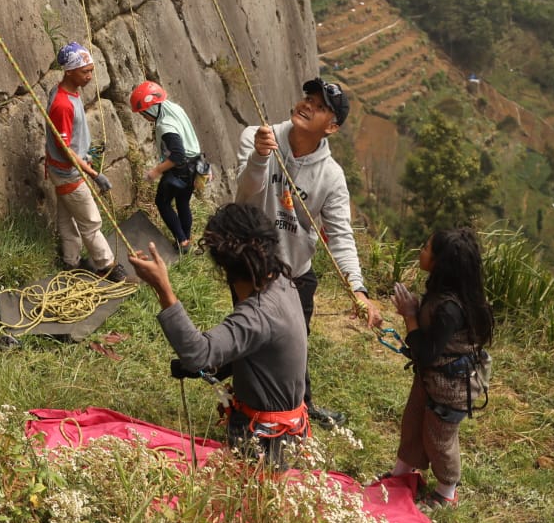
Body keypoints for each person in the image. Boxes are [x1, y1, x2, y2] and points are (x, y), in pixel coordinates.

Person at [235, 77, 381, 428]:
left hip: (296, 273)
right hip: (252, 267)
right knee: (250, 339)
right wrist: (259, 157)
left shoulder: (331, 176)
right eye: (308, 98)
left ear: (331, 127)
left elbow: (341, 236)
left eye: (319, 106)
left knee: (295, 344)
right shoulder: (258, 136)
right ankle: (245, 411)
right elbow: (245, 198)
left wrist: (356, 290)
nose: (307, 105)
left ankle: (300, 407)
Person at [129, 203, 309, 467]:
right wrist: (220, 367)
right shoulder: (282, 282)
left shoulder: (258, 315)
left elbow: (198, 354)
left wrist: (162, 288)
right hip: (288, 430)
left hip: (266, 442)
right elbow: (256, 349)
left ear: (224, 265)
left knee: (246, 503)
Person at [384, 228, 494, 511]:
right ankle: (402, 473)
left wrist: (410, 315)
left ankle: (446, 491)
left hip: (450, 388)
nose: (421, 250)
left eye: (426, 247)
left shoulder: (449, 309)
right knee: (413, 422)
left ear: (440, 262)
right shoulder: (443, 295)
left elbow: (426, 352)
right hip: (430, 379)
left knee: (439, 438)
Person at [45, 42, 128, 281]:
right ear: (69, 71)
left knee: (67, 217)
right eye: (85, 71)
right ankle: (107, 266)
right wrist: (94, 174)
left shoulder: (69, 92)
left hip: (65, 169)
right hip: (68, 172)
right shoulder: (62, 104)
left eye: (91, 70)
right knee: (91, 221)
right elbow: (65, 148)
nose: (90, 76)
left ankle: (71, 261)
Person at [130, 81, 202, 252]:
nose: (144, 117)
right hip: (196, 164)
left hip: (180, 170)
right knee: (183, 202)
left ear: (151, 108)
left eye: (143, 113)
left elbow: (177, 155)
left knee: (162, 203)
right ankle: (187, 239)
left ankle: (182, 241)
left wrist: (156, 171)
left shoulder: (165, 125)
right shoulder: (174, 108)